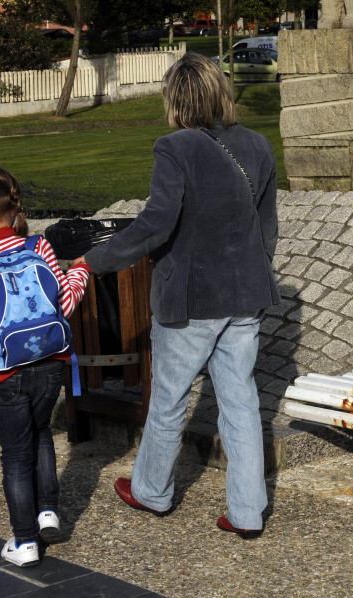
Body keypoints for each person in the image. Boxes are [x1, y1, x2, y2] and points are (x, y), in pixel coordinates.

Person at [76, 52, 279, 538]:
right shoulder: (257, 145)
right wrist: (252, 271)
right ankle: (248, 513)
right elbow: (267, 229)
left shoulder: (174, 148)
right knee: (242, 403)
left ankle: (151, 491)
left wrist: (92, 261)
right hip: (246, 295)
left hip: (190, 300)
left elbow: (155, 225)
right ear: (219, 92)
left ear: (176, 97)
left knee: (169, 399)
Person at [0, 167, 91, 567]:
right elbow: (63, 305)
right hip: (51, 364)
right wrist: (80, 270)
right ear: (14, 206)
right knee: (42, 430)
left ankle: (25, 541)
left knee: (15, 453)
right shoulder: (39, 248)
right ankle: (48, 511)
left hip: (4, 373)